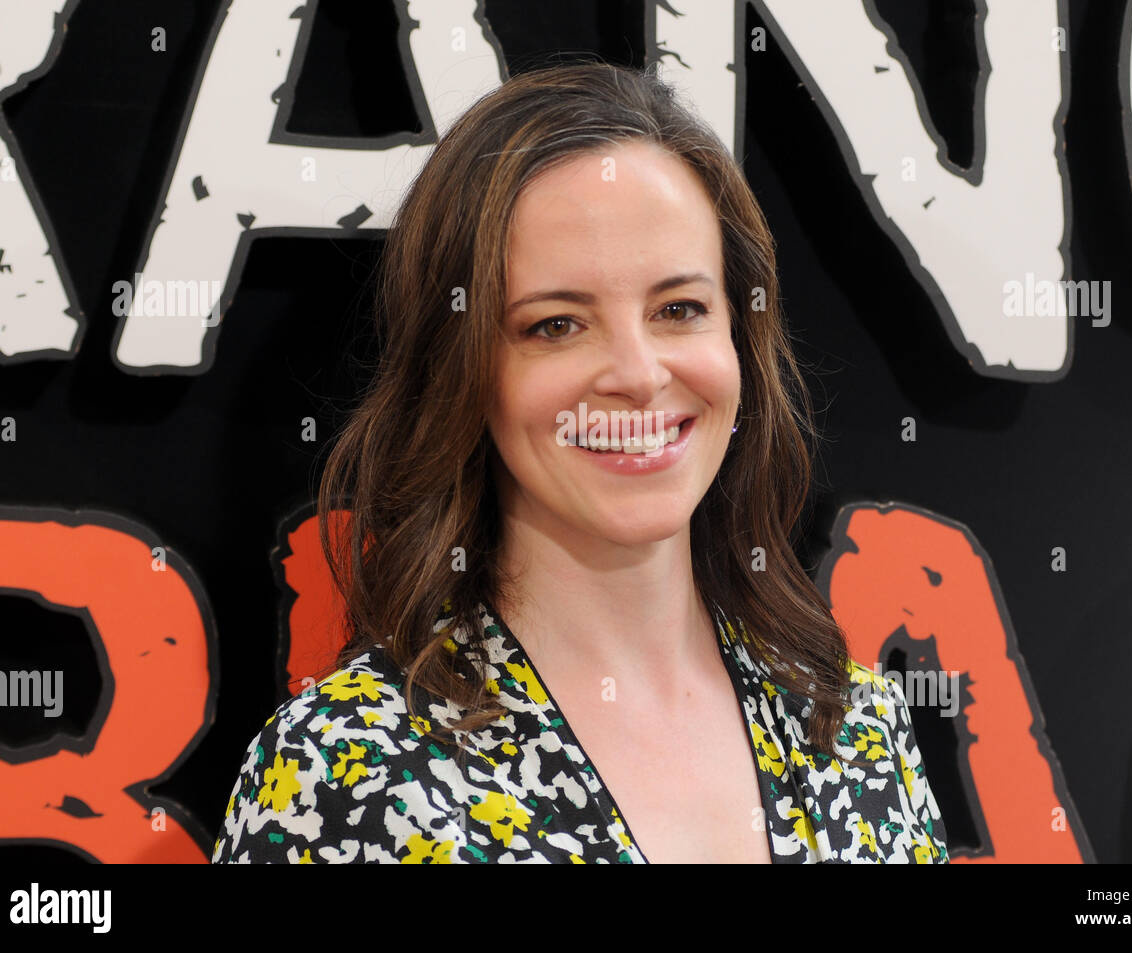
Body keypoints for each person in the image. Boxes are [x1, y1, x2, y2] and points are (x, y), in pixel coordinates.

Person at [211, 59, 949, 864]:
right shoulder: (344, 770)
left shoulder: (853, 722)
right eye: (556, 324)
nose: (637, 373)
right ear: (462, 368)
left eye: (679, 309)